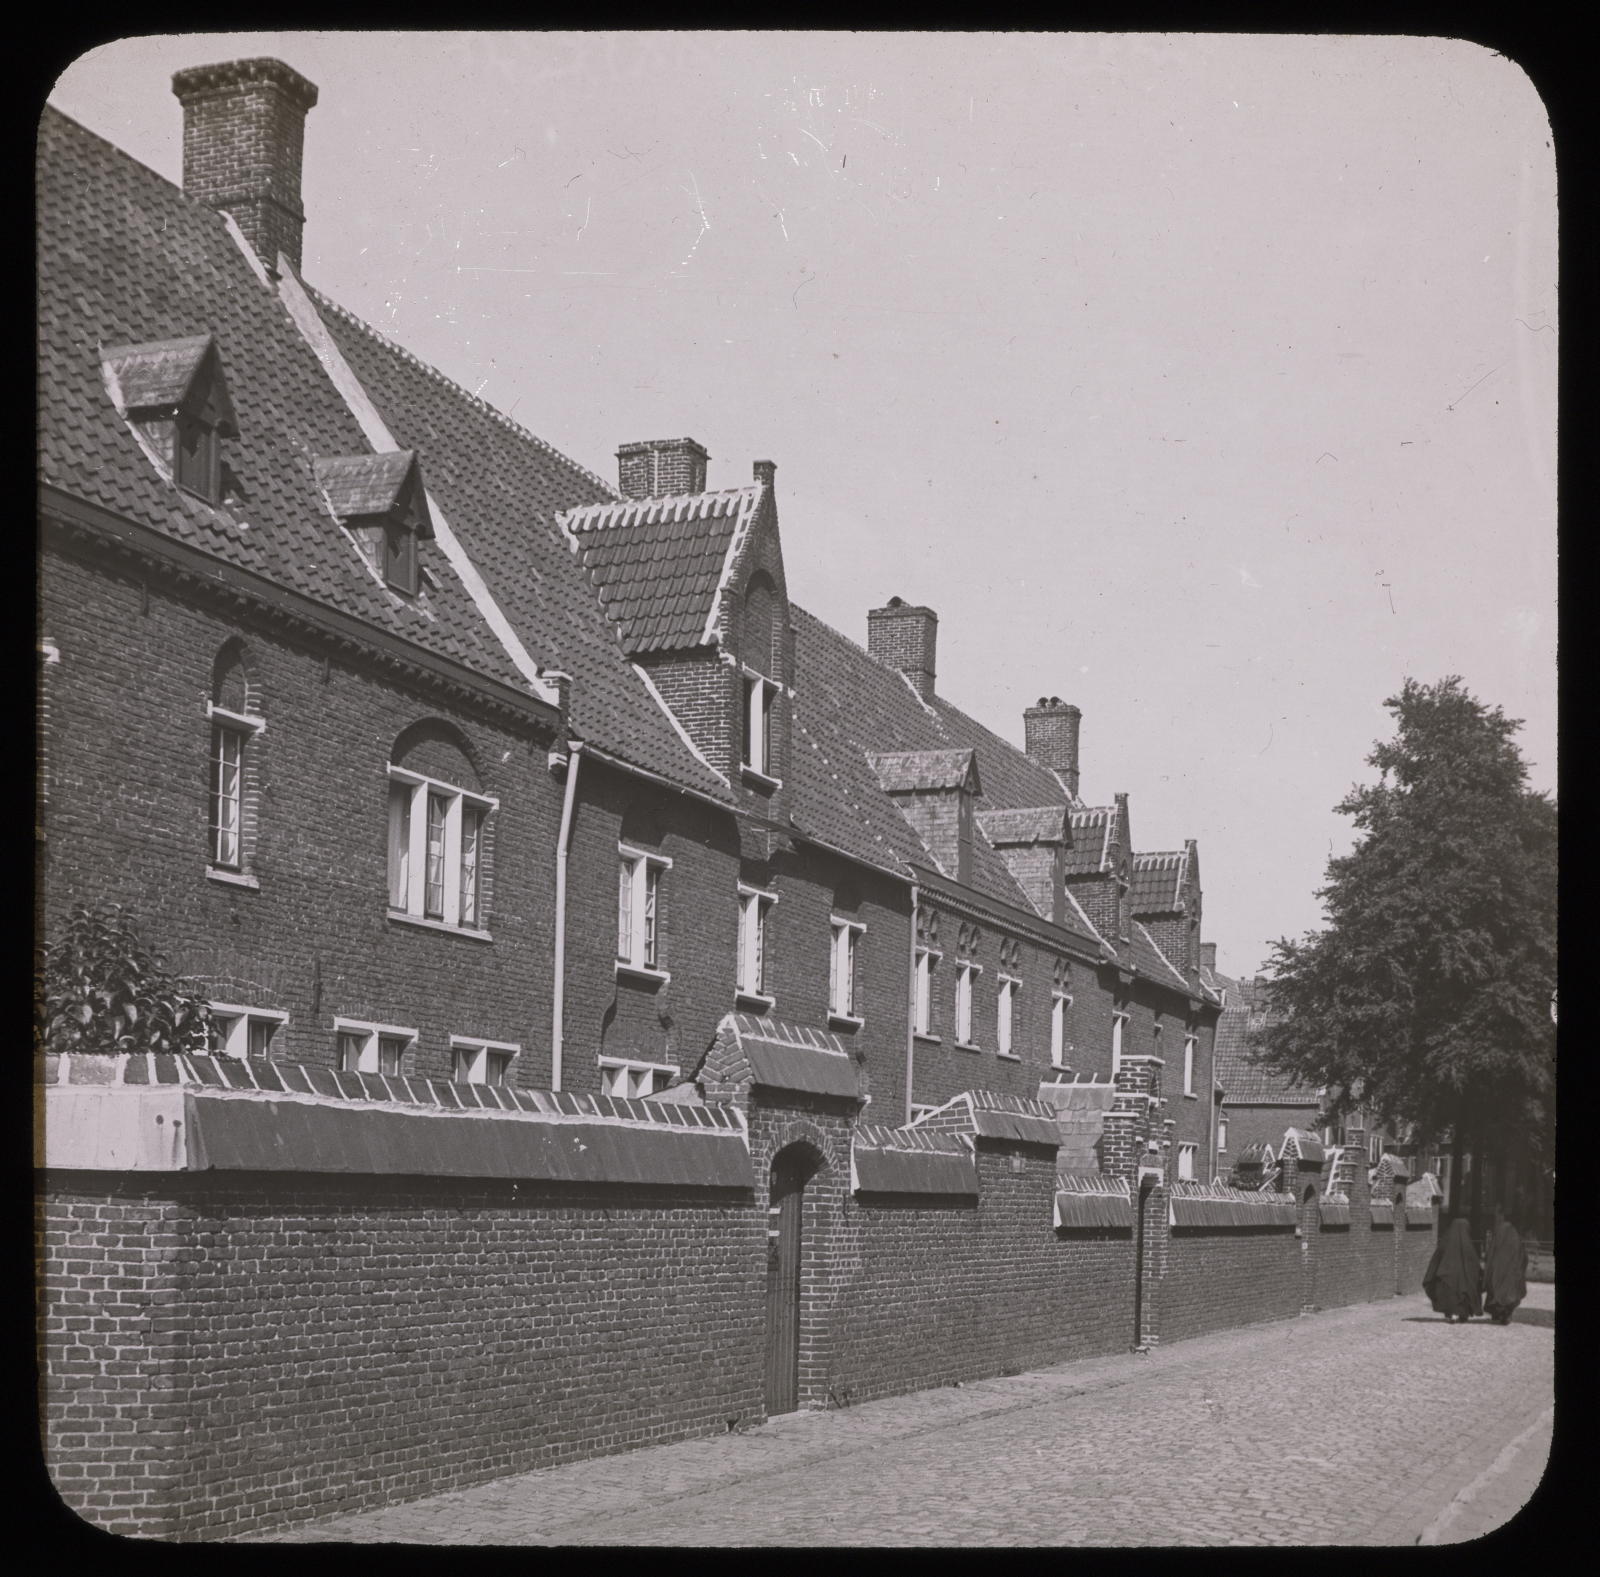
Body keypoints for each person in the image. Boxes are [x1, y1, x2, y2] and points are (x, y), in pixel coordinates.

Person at [1423, 1216, 1483, 1323]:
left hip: (1449, 1279)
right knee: (1464, 1291)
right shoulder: (1468, 1245)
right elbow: (1474, 1263)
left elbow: (1436, 1259)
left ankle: (1452, 1313)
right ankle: (1463, 1314)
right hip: (1464, 1281)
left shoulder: (1445, 1242)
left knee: (1450, 1292)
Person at [1481, 1205, 1528, 1325]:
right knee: (1509, 1292)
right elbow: (1522, 1255)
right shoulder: (1514, 1235)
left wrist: (1489, 1265)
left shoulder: (1499, 1232)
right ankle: (1506, 1314)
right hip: (1511, 1271)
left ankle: (1498, 1314)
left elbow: (1491, 1253)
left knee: (1496, 1289)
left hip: (1498, 1270)